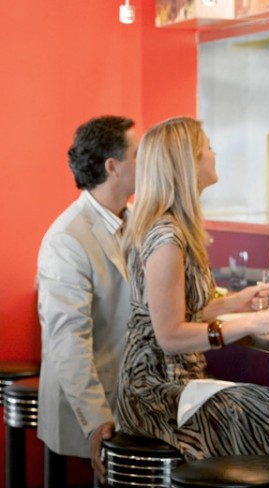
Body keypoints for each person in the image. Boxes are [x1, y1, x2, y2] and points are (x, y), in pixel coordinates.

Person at [116, 117, 269, 488]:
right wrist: (252, 323)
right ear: (189, 164)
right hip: (156, 391)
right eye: (208, 148)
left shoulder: (172, 228)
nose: (214, 154)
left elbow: (179, 312)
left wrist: (239, 302)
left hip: (180, 382)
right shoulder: (166, 238)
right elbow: (169, 335)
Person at [37, 115, 138, 482]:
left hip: (133, 391)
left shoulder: (135, 219)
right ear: (113, 167)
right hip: (94, 397)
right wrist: (97, 418)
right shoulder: (68, 238)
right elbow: (68, 341)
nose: (147, 163)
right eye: (138, 154)